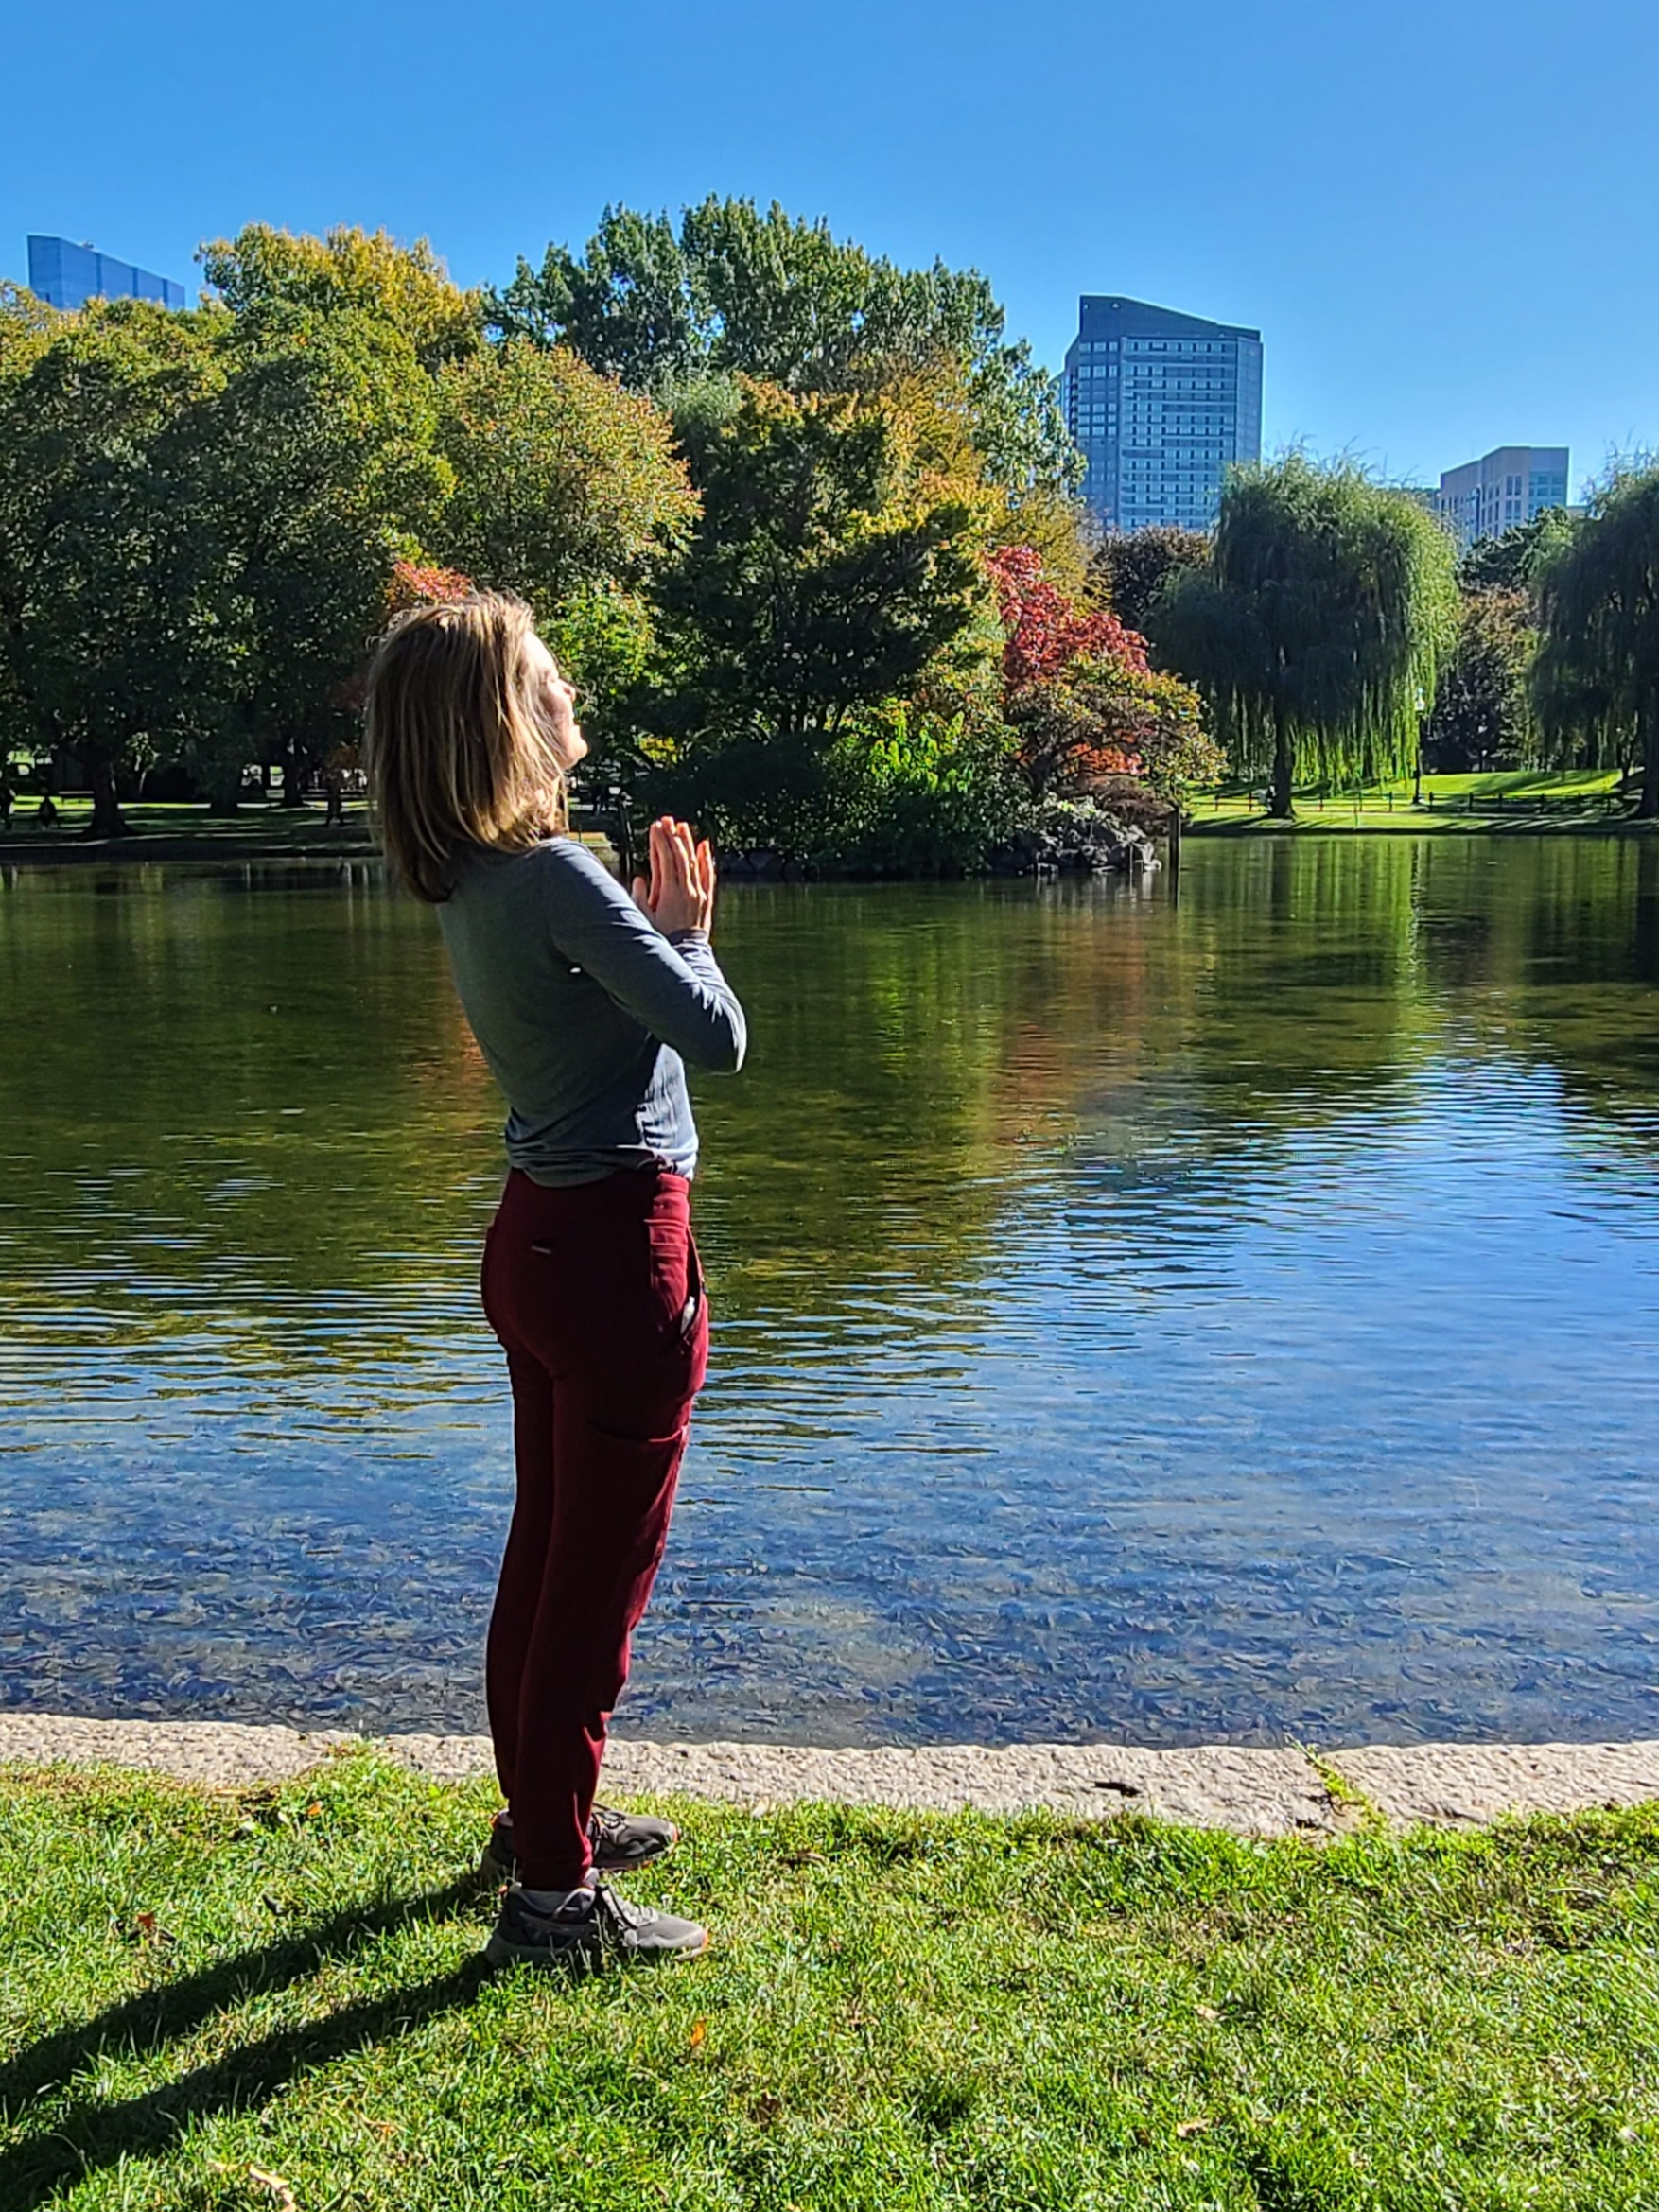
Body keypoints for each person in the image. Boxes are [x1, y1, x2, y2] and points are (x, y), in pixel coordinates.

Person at [362, 592, 745, 1975]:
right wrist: (689, 932)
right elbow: (717, 1039)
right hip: (617, 1256)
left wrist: (649, 937)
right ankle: (552, 1899)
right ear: (502, 720)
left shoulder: (472, 879)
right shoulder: (560, 876)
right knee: (598, 1581)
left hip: (531, 1244)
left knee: (544, 1551)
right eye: (543, 674)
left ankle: (541, 1822)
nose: (567, 687)